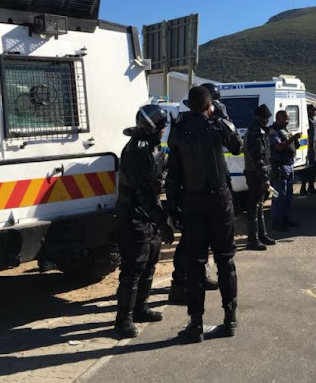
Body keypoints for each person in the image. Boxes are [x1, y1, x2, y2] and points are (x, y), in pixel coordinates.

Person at [165, 86, 243, 343]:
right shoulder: (217, 126)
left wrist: (173, 206)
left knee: (196, 264)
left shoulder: (179, 129)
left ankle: (195, 323)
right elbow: (236, 147)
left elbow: (173, 173)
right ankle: (230, 318)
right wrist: (223, 118)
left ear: (189, 105)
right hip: (218, 199)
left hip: (192, 200)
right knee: (225, 260)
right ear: (210, 105)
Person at [113, 104, 175, 338]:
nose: (163, 131)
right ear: (153, 128)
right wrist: (162, 223)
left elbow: (165, 168)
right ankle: (123, 321)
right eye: (162, 127)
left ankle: (140, 308)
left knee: (149, 264)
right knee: (133, 269)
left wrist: (162, 179)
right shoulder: (137, 152)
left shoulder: (153, 147)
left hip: (146, 217)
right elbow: (144, 194)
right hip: (133, 218)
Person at [243, 104, 276, 250]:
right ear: (261, 118)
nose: (267, 121)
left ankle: (261, 235)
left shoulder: (258, 130)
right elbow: (258, 158)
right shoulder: (256, 133)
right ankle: (253, 239)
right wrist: (264, 178)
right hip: (256, 174)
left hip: (257, 173)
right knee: (254, 206)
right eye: (266, 119)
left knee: (259, 205)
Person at [269, 110, 302, 231]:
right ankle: (277, 222)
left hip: (289, 165)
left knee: (288, 195)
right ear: (278, 118)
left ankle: (286, 219)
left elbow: (291, 145)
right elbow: (278, 146)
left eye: (288, 119)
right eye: (285, 119)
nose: (287, 121)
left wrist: (295, 141)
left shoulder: (285, 130)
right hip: (279, 166)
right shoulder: (273, 131)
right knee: (279, 195)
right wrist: (292, 138)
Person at [299, 104, 316, 195]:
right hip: (308, 148)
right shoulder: (307, 121)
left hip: (312, 147)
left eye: (315, 110)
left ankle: (311, 187)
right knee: (307, 169)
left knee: (312, 169)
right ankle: (303, 188)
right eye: (313, 110)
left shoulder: (313, 120)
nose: (315, 112)